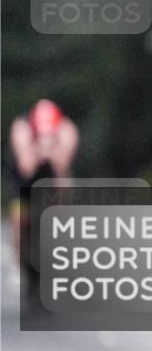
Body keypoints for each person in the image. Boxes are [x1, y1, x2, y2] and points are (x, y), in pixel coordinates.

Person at [8, 99, 79, 303]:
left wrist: (52, 151)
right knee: (20, 220)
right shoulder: (22, 127)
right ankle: (19, 260)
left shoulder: (66, 129)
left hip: (52, 183)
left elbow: (62, 166)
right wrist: (38, 150)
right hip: (25, 184)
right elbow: (26, 167)